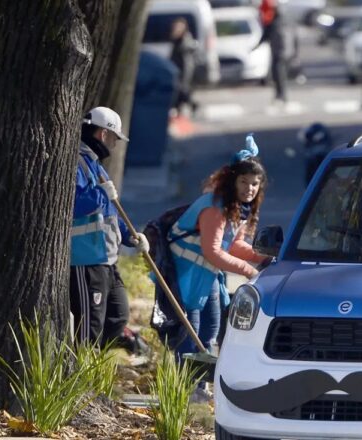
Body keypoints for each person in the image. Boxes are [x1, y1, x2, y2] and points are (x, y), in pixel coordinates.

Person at [167, 134, 271, 362]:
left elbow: (233, 245)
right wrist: (249, 270)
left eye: (255, 184)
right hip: (186, 275)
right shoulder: (215, 207)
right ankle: (184, 380)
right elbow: (212, 251)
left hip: (207, 273)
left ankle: (199, 379)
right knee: (191, 333)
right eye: (244, 182)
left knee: (209, 330)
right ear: (232, 181)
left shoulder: (239, 207)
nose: (249, 188)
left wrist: (264, 258)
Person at [71, 107, 150, 350]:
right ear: (103, 134)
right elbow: (72, 206)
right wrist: (100, 194)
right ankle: (84, 370)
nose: (114, 145)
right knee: (90, 327)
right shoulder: (76, 163)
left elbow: (110, 215)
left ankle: (100, 357)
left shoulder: (96, 165)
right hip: (85, 259)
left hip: (106, 259)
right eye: (114, 138)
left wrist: (130, 236)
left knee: (118, 315)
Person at [257, 7, 289, 103]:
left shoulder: (276, 24)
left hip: (279, 53)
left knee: (278, 74)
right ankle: (280, 94)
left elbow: (265, 36)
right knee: (278, 74)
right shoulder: (282, 24)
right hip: (281, 53)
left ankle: (281, 94)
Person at [169, 17, 198, 115]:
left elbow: (187, 47)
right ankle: (181, 107)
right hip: (176, 66)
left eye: (179, 26)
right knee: (179, 88)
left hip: (184, 67)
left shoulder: (185, 37)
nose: (177, 28)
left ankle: (191, 104)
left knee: (181, 88)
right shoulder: (175, 38)